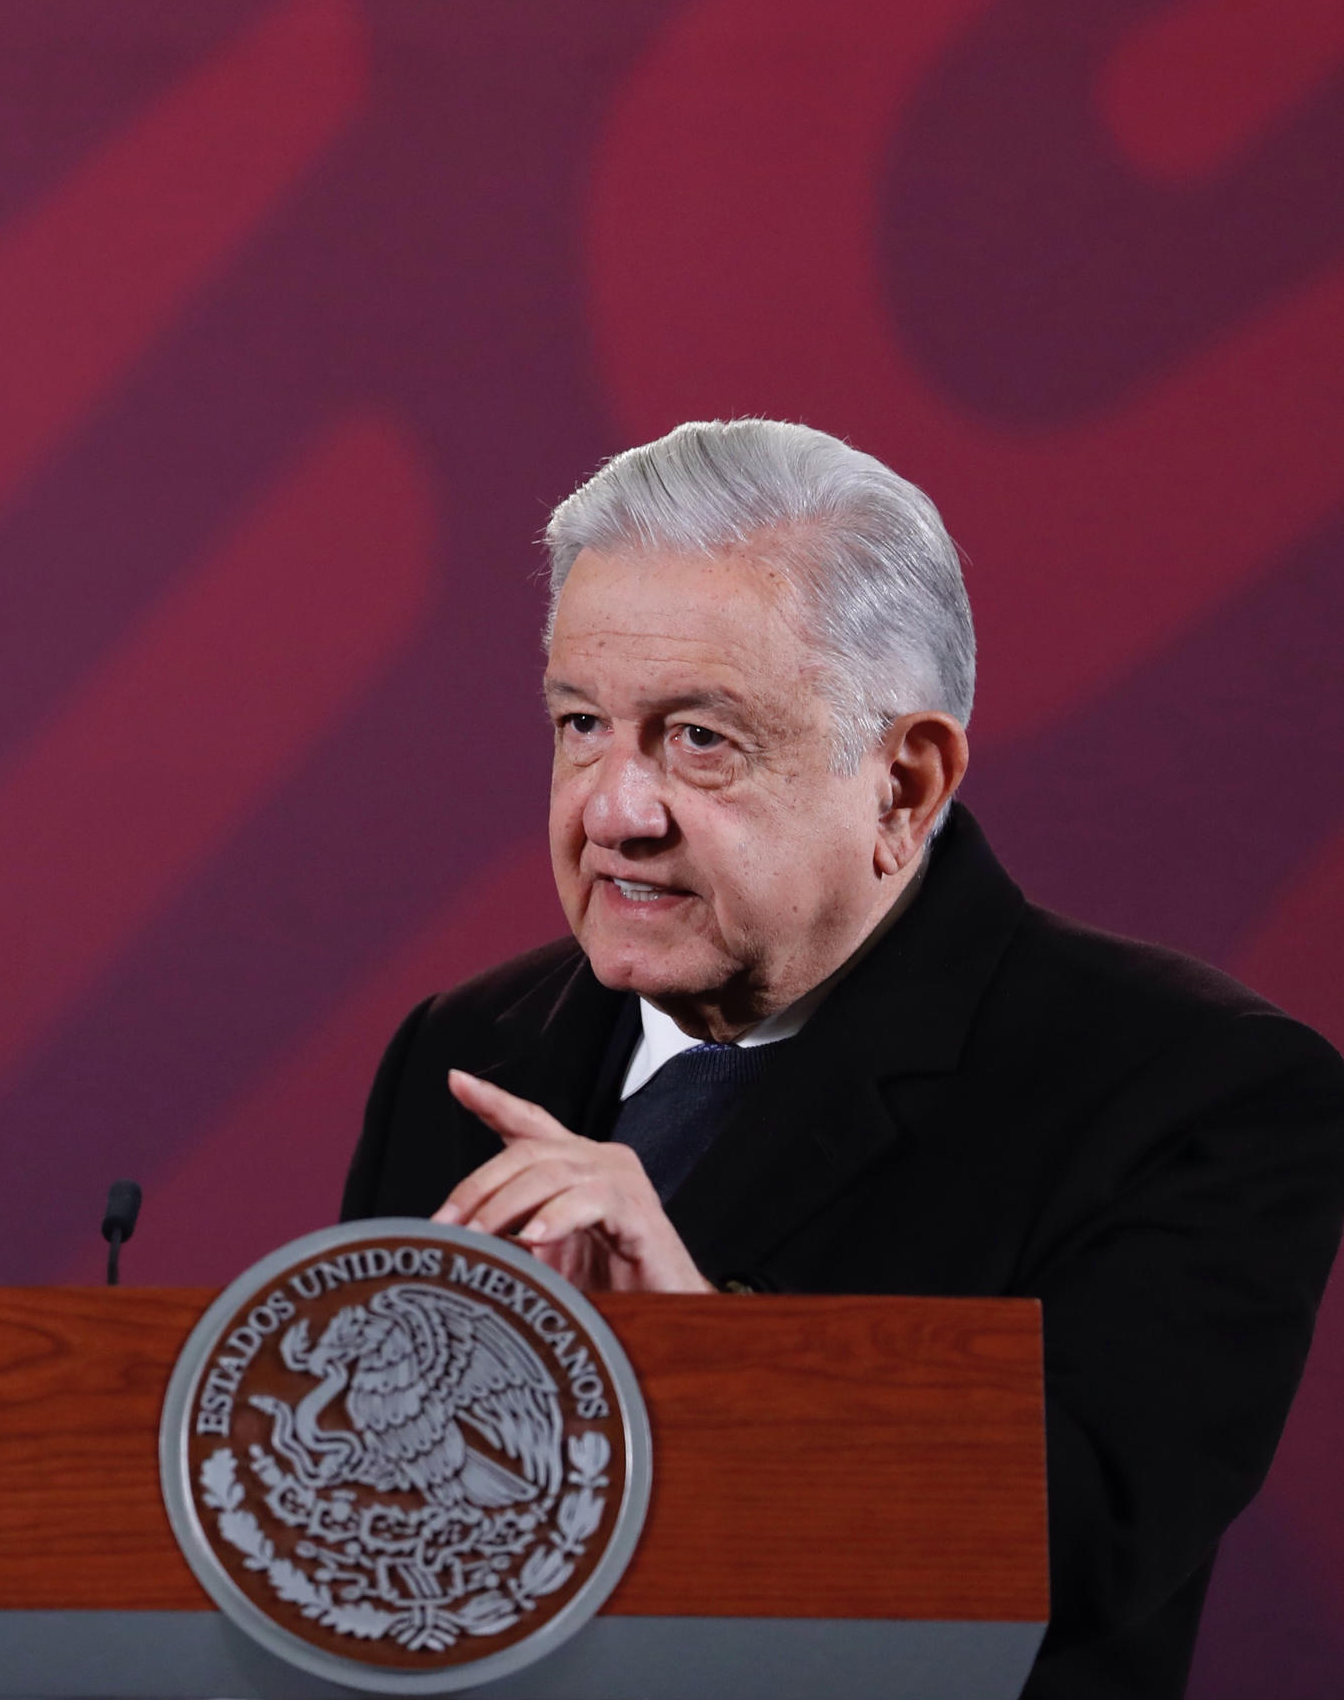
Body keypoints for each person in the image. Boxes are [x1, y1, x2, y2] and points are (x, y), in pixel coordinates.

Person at [342, 418, 1344, 1697]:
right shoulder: (465, 1049)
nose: (612, 808)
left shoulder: (1193, 1091)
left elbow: (1073, 1546)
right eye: (582, 722)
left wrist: (702, 1357)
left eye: (698, 738)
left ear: (903, 786)